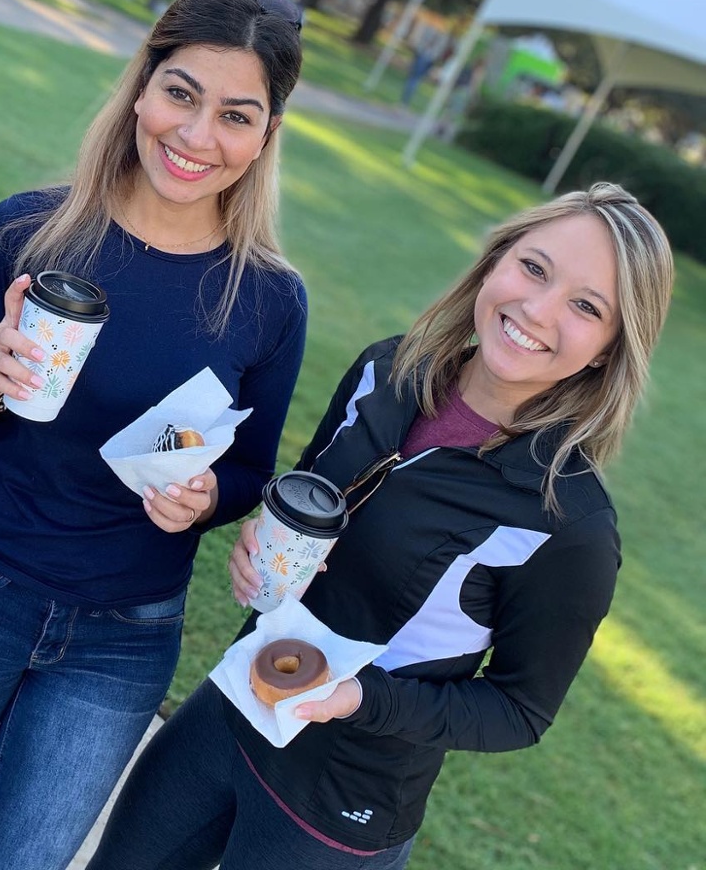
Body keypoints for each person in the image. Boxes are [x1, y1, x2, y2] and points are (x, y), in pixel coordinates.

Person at [0, 0, 310, 870]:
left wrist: (209, 496)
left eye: (237, 115)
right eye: (181, 93)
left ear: (264, 138)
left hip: (122, 638)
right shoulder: (30, 232)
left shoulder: (270, 300)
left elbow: (250, 467)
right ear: (142, 86)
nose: (197, 135)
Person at [87, 182, 674, 870]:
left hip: (340, 804)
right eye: (534, 267)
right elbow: (304, 496)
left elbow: (518, 711)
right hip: (232, 710)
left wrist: (359, 697)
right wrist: (262, 540)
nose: (537, 309)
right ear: (496, 261)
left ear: (609, 347)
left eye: (585, 306)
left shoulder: (568, 525)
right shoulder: (385, 369)